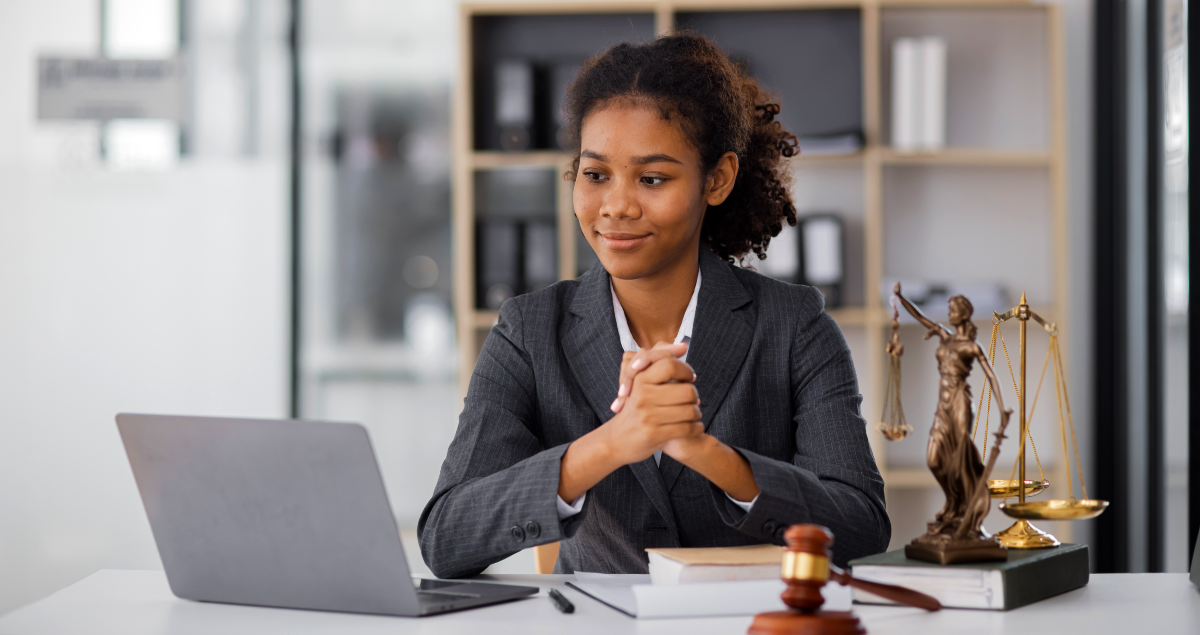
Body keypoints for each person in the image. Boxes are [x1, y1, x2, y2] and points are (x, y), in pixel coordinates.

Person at [418, 34, 889, 577]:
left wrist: (707, 454)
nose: (616, 206)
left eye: (652, 178)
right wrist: (609, 445)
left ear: (717, 179)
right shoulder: (529, 331)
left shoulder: (793, 324)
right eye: (595, 175)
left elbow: (862, 528)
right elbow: (446, 537)